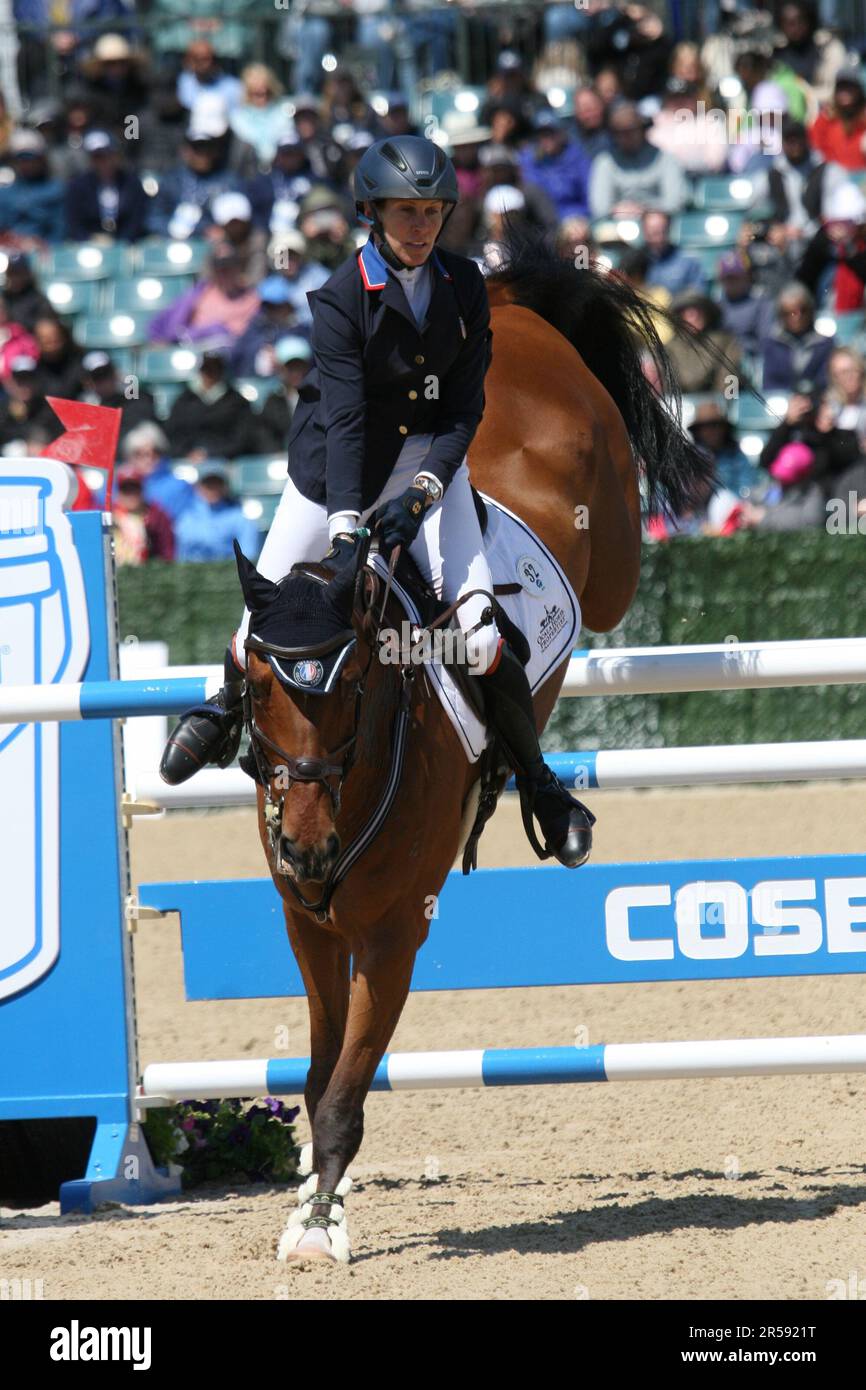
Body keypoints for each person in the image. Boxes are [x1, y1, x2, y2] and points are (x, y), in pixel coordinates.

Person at [160, 133, 595, 870]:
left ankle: (541, 785)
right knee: (253, 627)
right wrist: (346, 532)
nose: (420, 226)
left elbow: (462, 409)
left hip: (430, 465)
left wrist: (424, 491)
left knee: (484, 639)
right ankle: (223, 709)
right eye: (405, 211)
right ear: (372, 213)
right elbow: (349, 421)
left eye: (431, 211)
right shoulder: (338, 298)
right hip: (331, 471)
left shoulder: (463, 288)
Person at [173, 463, 261, 561]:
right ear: (198, 487)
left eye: (217, 484)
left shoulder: (240, 520)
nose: (213, 489)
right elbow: (180, 556)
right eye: (208, 485)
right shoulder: (186, 517)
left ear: (225, 487)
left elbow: (247, 558)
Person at [112, 467, 176, 565]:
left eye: (135, 490)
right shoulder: (109, 516)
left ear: (142, 491)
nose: (131, 496)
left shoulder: (156, 516)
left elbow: (166, 552)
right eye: (126, 490)